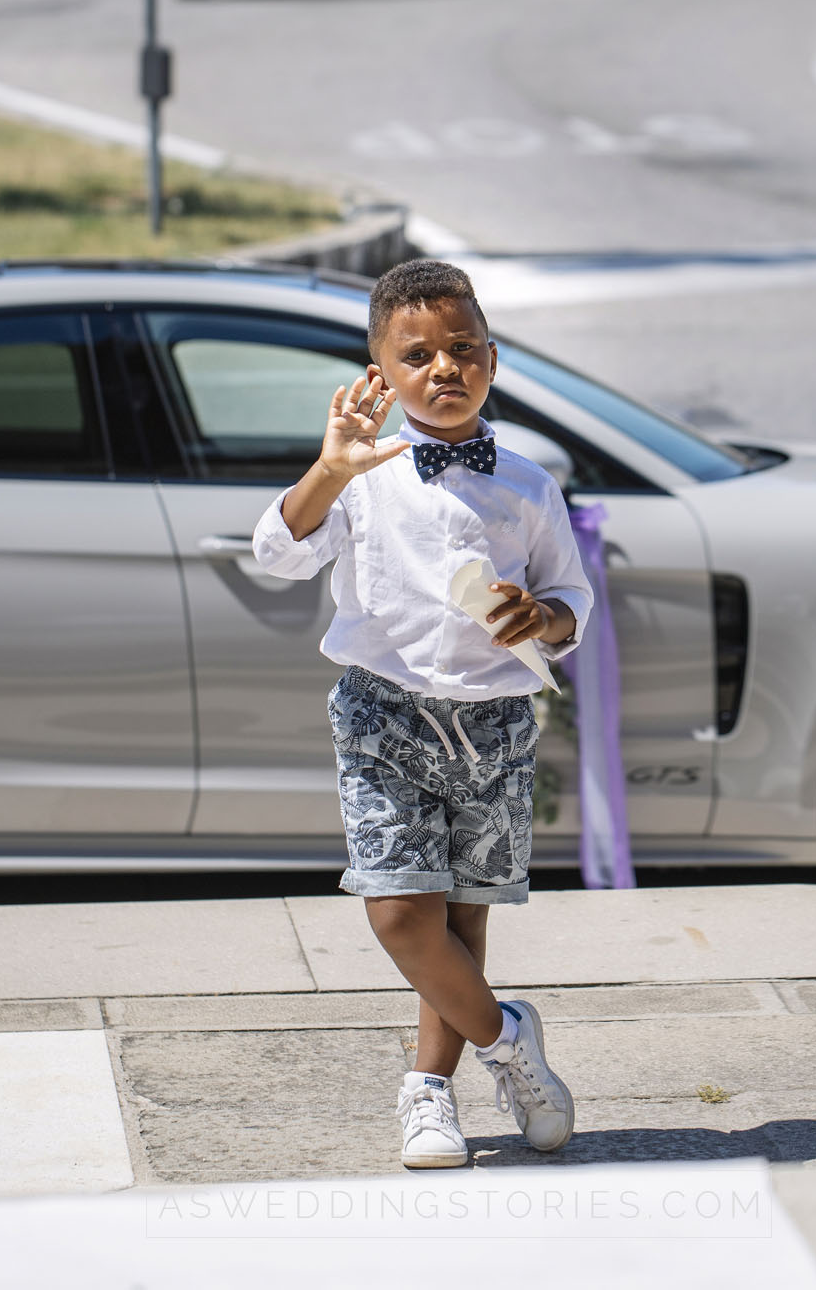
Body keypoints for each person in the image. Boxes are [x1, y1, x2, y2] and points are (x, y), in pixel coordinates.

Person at [251, 259, 594, 1170]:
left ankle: (430, 1093)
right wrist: (329, 468)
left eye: (462, 348)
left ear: (492, 358)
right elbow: (276, 552)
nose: (444, 367)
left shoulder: (527, 484)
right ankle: (507, 1036)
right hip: (382, 717)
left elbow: (572, 596)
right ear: (381, 373)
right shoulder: (361, 477)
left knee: (461, 920)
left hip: (494, 721)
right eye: (417, 354)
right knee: (403, 913)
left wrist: (546, 617)